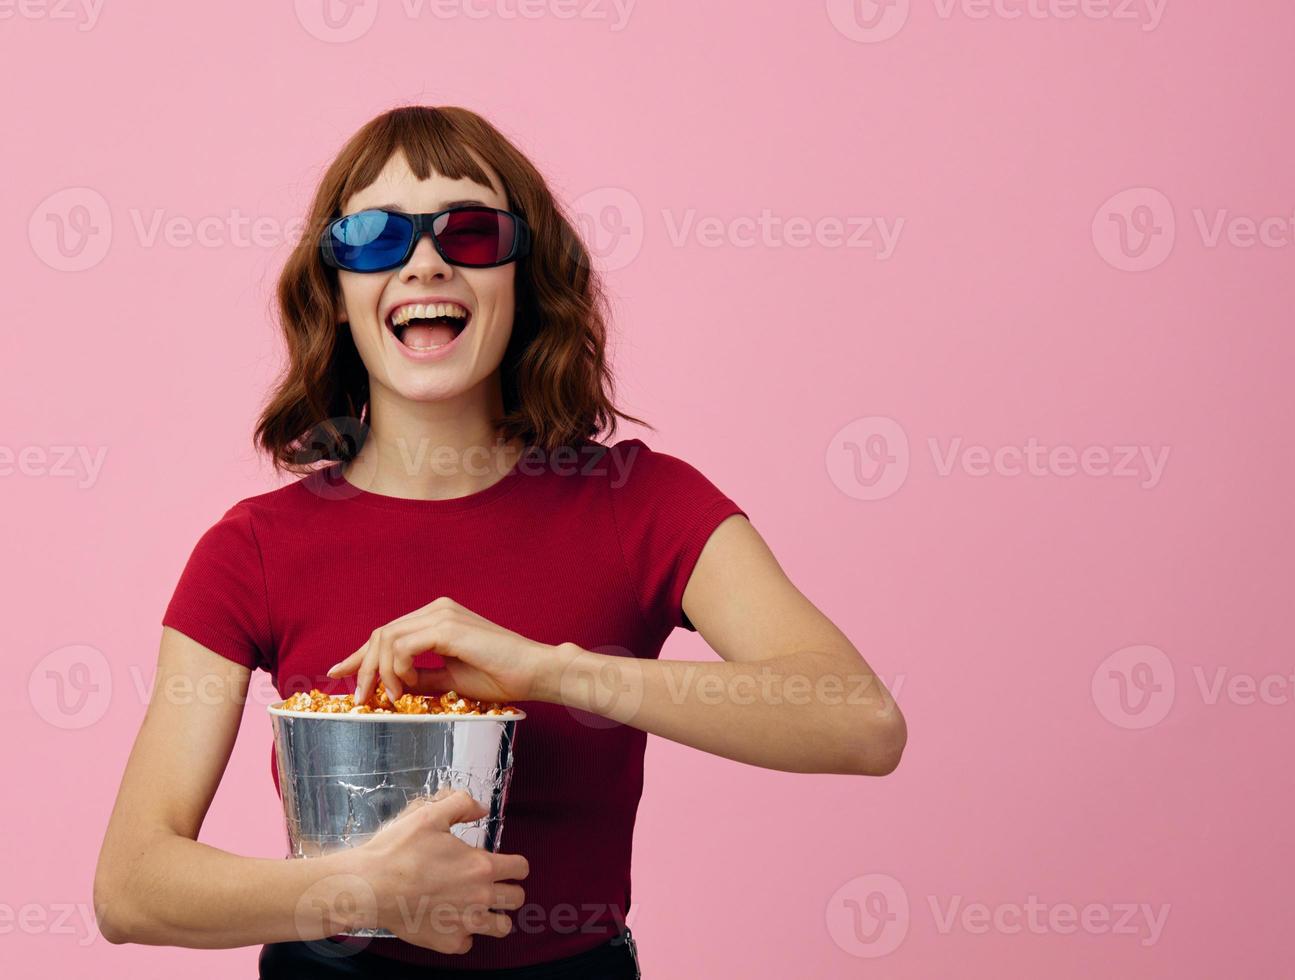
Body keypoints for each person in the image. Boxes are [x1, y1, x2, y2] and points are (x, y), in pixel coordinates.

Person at [92, 104, 907, 978]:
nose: (425, 260)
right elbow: (132, 886)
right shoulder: (252, 548)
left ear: (526, 280)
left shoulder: (644, 504)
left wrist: (548, 670)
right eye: (372, 236)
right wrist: (362, 890)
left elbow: (860, 724)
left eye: (473, 233)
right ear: (333, 294)